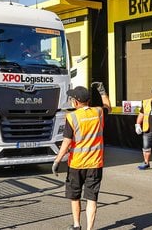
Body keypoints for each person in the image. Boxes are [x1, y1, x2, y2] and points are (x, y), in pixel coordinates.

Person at [52, 82, 111, 230]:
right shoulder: (98, 113)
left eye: (72, 99)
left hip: (76, 165)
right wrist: (102, 92)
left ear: (76, 102)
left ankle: (77, 225)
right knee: (92, 198)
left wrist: (57, 161)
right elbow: (108, 106)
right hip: (95, 164)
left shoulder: (72, 117)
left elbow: (66, 143)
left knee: (75, 196)